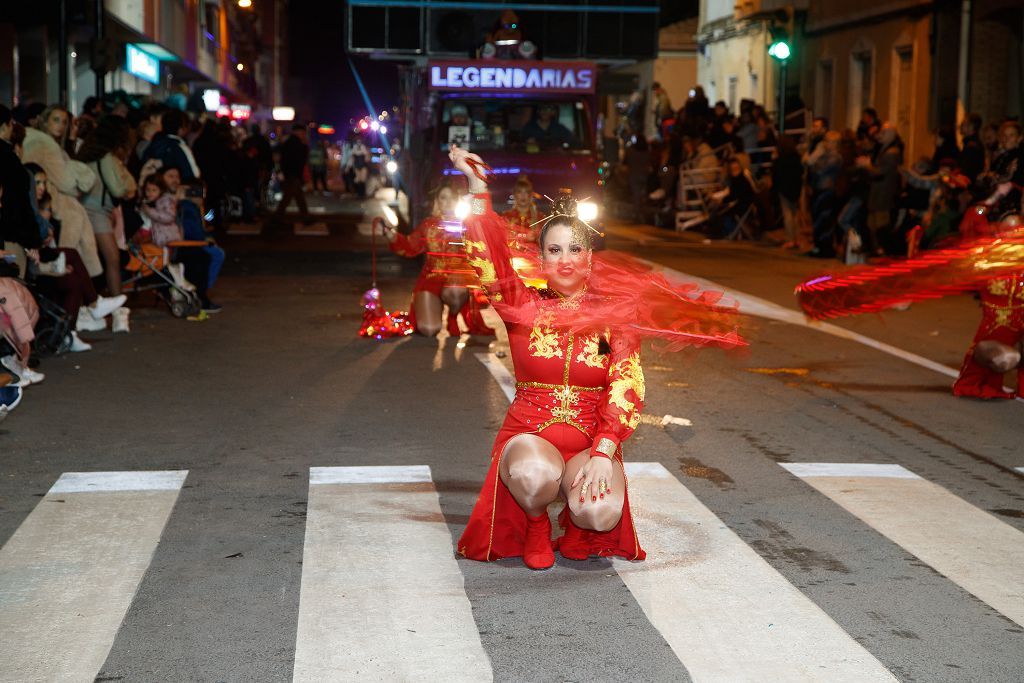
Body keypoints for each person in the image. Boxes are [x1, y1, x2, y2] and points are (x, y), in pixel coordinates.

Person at [449, 144, 742, 569]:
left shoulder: (615, 315)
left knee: (600, 513)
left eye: (574, 250)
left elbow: (627, 381)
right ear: (542, 258)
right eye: (554, 250)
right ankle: (536, 522)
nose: (565, 260)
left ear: (589, 257)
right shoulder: (521, 306)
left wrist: (604, 450)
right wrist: (476, 186)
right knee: (533, 478)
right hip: (532, 435)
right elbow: (488, 261)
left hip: (590, 440)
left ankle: (578, 525)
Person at [382, 178, 494, 338]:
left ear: (458, 201)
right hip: (431, 279)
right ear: (437, 202)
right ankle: (436, 307)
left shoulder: (468, 224)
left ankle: (453, 315)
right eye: (443, 197)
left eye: (451, 198)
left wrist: (477, 184)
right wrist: (391, 235)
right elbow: (410, 247)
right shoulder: (428, 225)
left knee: (455, 292)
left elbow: (482, 215)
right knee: (429, 329)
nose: (447, 202)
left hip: (457, 282)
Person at [21, 105, 104, 280]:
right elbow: (66, 182)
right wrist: (76, 187)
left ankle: (88, 297)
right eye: (56, 120)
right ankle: (79, 286)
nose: (60, 125)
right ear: (44, 120)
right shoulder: (44, 143)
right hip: (46, 202)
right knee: (73, 221)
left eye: (64, 122)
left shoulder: (46, 143)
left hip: (45, 201)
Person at [138, 172, 220, 313]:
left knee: (204, 256)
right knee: (202, 257)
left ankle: (198, 295)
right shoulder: (153, 206)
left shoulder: (165, 203)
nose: (150, 193)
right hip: (163, 247)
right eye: (148, 190)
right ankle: (198, 296)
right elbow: (167, 219)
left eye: (154, 190)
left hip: (172, 244)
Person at [77, 115, 137, 298]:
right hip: (98, 212)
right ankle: (117, 304)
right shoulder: (107, 158)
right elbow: (118, 189)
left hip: (85, 208)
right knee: (112, 259)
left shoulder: (87, 154)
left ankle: (94, 301)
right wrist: (129, 185)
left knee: (92, 259)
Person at [274, 124, 311, 222]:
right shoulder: (297, 144)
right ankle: (276, 218)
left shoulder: (287, 142)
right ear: (298, 132)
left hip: (289, 174)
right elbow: (301, 159)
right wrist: (305, 145)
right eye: (303, 133)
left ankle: (305, 217)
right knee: (288, 198)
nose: (304, 135)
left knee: (298, 197)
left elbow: (278, 156)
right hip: (293, 175)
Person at [772, 135, 804, 249]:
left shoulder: (780, 159)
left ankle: (790, 239)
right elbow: (800, 172)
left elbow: (776, 175)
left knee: (787, 214)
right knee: (794, 214)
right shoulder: (796, 157)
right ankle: (797, 238)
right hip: (795, 188)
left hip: (784, 189)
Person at [501, 175, 543, 249]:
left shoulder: (540, 218)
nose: (523, 195)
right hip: (512, 257)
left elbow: (545, 242)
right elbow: (500, 240)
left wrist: (536, 237)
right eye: (519, 192)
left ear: (530, 195)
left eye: (526, 192)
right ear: (515, 194)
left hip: (534, 258)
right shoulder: (506, 217)